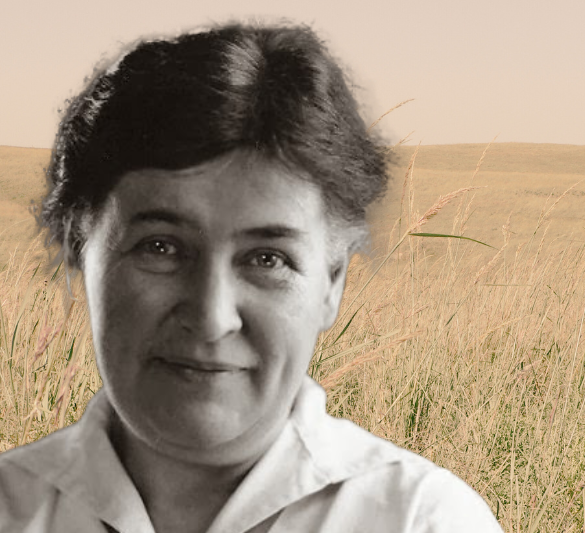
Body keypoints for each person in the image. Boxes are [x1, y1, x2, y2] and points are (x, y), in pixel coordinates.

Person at [0, 22, 503, 532]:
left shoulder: (421, 520)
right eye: (161, 247)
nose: (211, 318)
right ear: (78, 250)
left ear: (332, 283)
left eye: (267, 259)